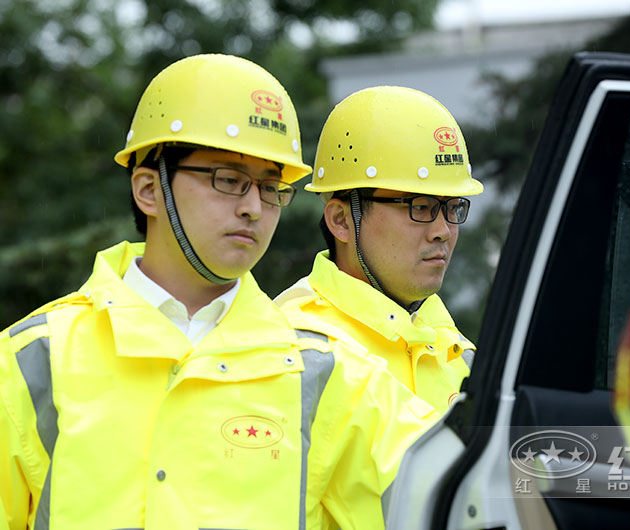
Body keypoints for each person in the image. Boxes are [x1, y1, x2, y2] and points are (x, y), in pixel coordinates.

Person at [0, 54, 437, 530]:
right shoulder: (31, 364)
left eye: (270, 188)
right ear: (149, 190)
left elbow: (464, 492)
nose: (254, 208)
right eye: (229, 180)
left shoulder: (326, 374)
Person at [276, 86, 484, 414]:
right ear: (342, 220)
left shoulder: (459, 354)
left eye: (453, 207)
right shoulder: (292, 349)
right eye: (420, 206)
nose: (443, 231)